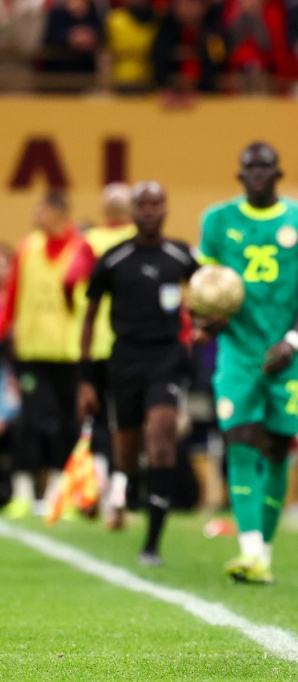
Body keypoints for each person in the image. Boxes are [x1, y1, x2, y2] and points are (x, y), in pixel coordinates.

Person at [196, 141, 298, 583]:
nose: (257, 174)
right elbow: (205, 289)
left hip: (286, 353)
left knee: (275, 449)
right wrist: (206, 321)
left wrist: (291, 340)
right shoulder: (217, 220)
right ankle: (249, 549)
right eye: (249, 167)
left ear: (277, 173)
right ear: (240, 174)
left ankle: (264, 552)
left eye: (264, 167)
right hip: (237, 354)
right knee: (240, 440)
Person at [79, 181, 197, 566]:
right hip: (125, 359)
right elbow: (90, 316)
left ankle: (152, 543)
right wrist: (85, 378)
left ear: (166, 209)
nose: (149, 210)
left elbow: (212, 290)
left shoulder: (181, 255)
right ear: (132, 211)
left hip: (167, 358)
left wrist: (205, 324)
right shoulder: (114, 259)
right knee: (127, 450)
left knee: (161, 437)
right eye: (142, 204)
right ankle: (121, 491)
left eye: (156, 203)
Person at [0, 190, 91, 518]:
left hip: (68, 352)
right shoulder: (27, 247)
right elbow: (13, 295)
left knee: (66, 424)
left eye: (41, 210)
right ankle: (23, 490)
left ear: (58, 212)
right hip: (32, 350)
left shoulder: (82, 249)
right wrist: (4, 328)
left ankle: (57, 492)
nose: (35, 216)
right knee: (30, 420)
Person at [69, 182, 138, 528]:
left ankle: (94, 490)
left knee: (94, 422)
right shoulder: (142, 239)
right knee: (124, 424)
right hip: (133, 346)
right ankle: (120, 497)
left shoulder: (91, 242)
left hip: (96, 344)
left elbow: (71, 280)